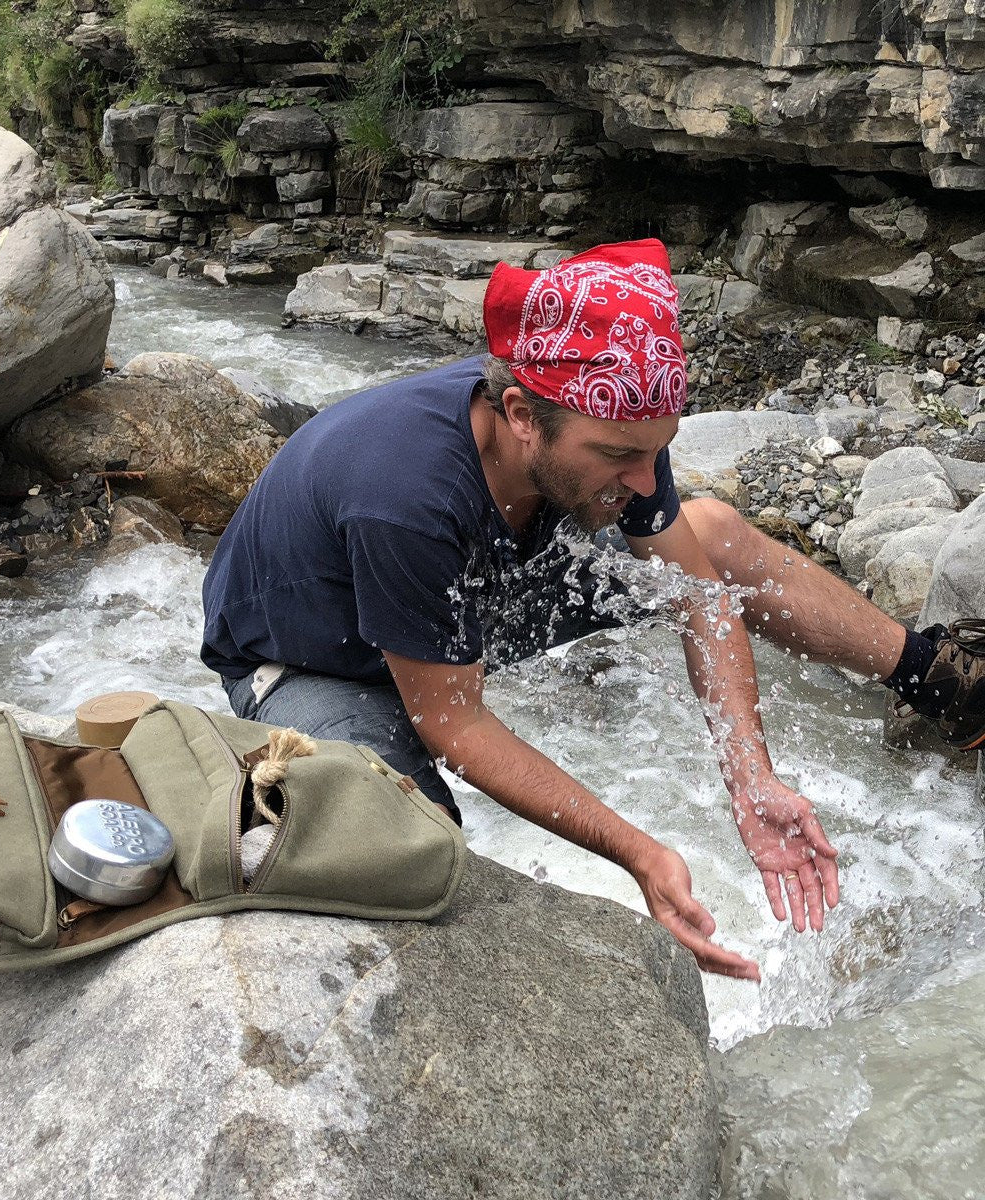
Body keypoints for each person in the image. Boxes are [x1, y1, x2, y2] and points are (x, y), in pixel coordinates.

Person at [201, 238, 985, 980]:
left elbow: (702, 599)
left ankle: (946, 682)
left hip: (474, 592)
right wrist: (638, 852)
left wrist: (751, 779)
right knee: (413, 855)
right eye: (617, 456)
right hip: (315, 662)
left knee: (708, 535)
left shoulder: (619, 425)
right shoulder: (404, 495)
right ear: (519, 413)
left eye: (656, 450)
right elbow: (456, 725)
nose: (644, 479)